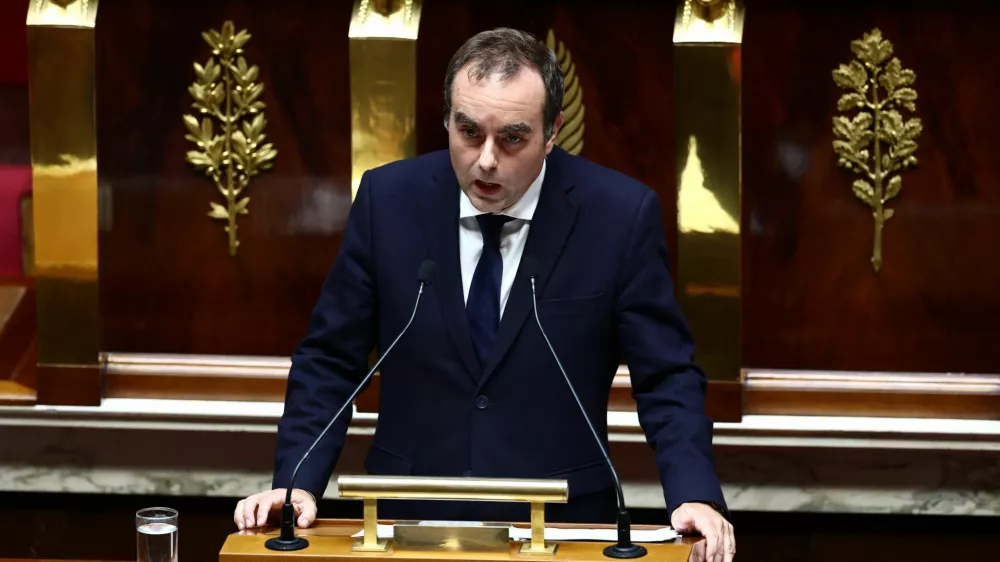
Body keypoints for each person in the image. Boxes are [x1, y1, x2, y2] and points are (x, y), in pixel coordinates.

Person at [235, 27, 734, 561]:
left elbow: (666, 376)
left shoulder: (617, 216)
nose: (486, 161)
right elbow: (330, 361)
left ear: (552, 131)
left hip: (560, 530)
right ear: (447, 119)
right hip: (408, 525)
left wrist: (693, 492)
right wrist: (297, 483)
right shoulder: (389, 201)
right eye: (469, 132)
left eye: (512, 138)